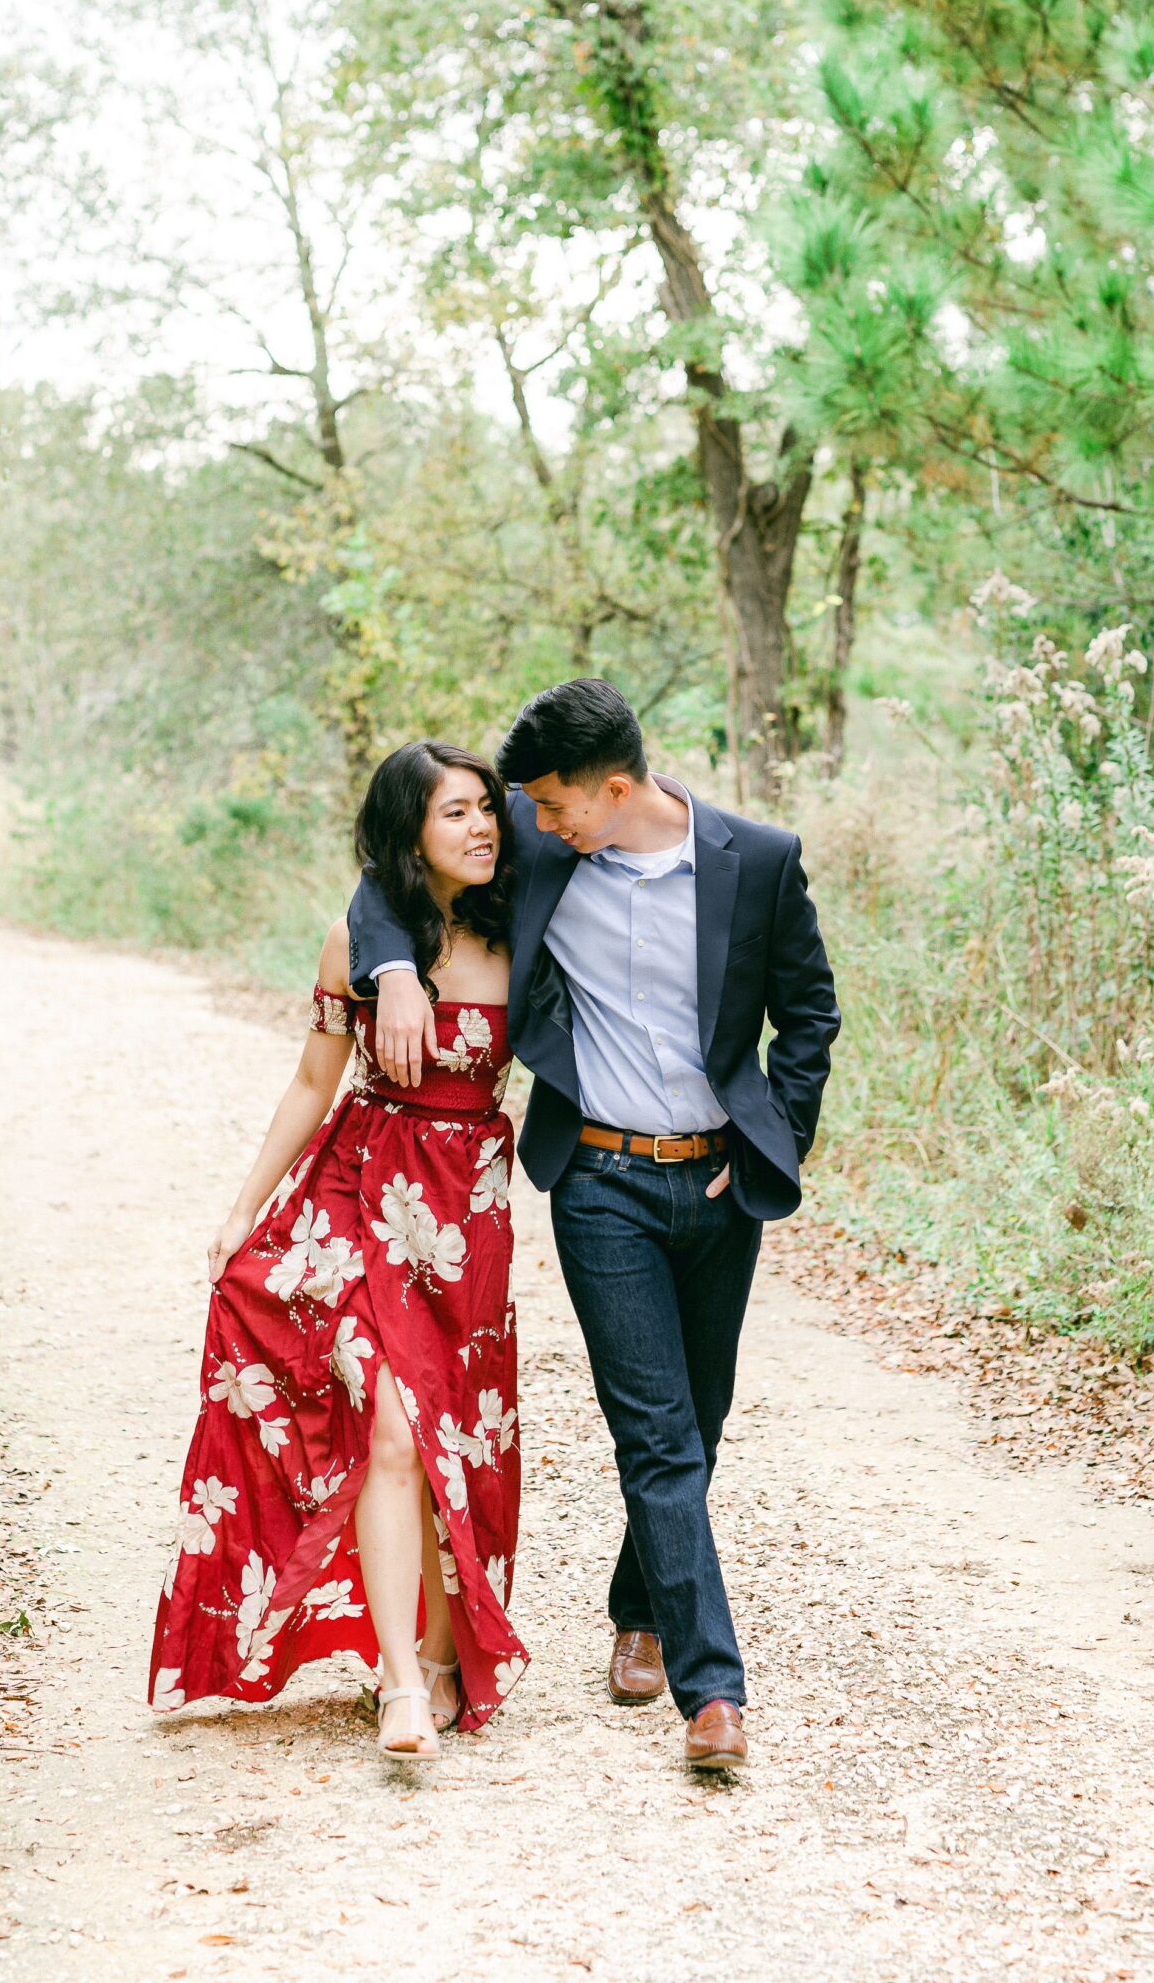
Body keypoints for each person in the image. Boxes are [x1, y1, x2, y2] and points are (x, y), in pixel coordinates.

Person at [348, 678, 839, 1772]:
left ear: (613, 790)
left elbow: (807, 1012)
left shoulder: (756, 859)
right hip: (601, 1180)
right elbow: (393, 864)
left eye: (554, 807)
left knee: (696, 1422)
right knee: (656, 1432)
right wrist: (387, 967)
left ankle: (640, 1604)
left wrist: (776, 1136)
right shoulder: (538, 834)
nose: (529, 823)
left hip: (717, 1181)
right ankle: (712, 1698)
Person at [149, 741, 526, 1761]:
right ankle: (401, 1680)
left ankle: (445, 1660)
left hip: (468, 1217)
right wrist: (242, 1209)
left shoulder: (517, 928)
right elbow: (312, 1084)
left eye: (486, 808)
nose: (480, 826)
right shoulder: (354, 940)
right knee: (395, 1434)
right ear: (408, 829)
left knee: (462, 1442)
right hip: (363, 1194)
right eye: (453, 813)